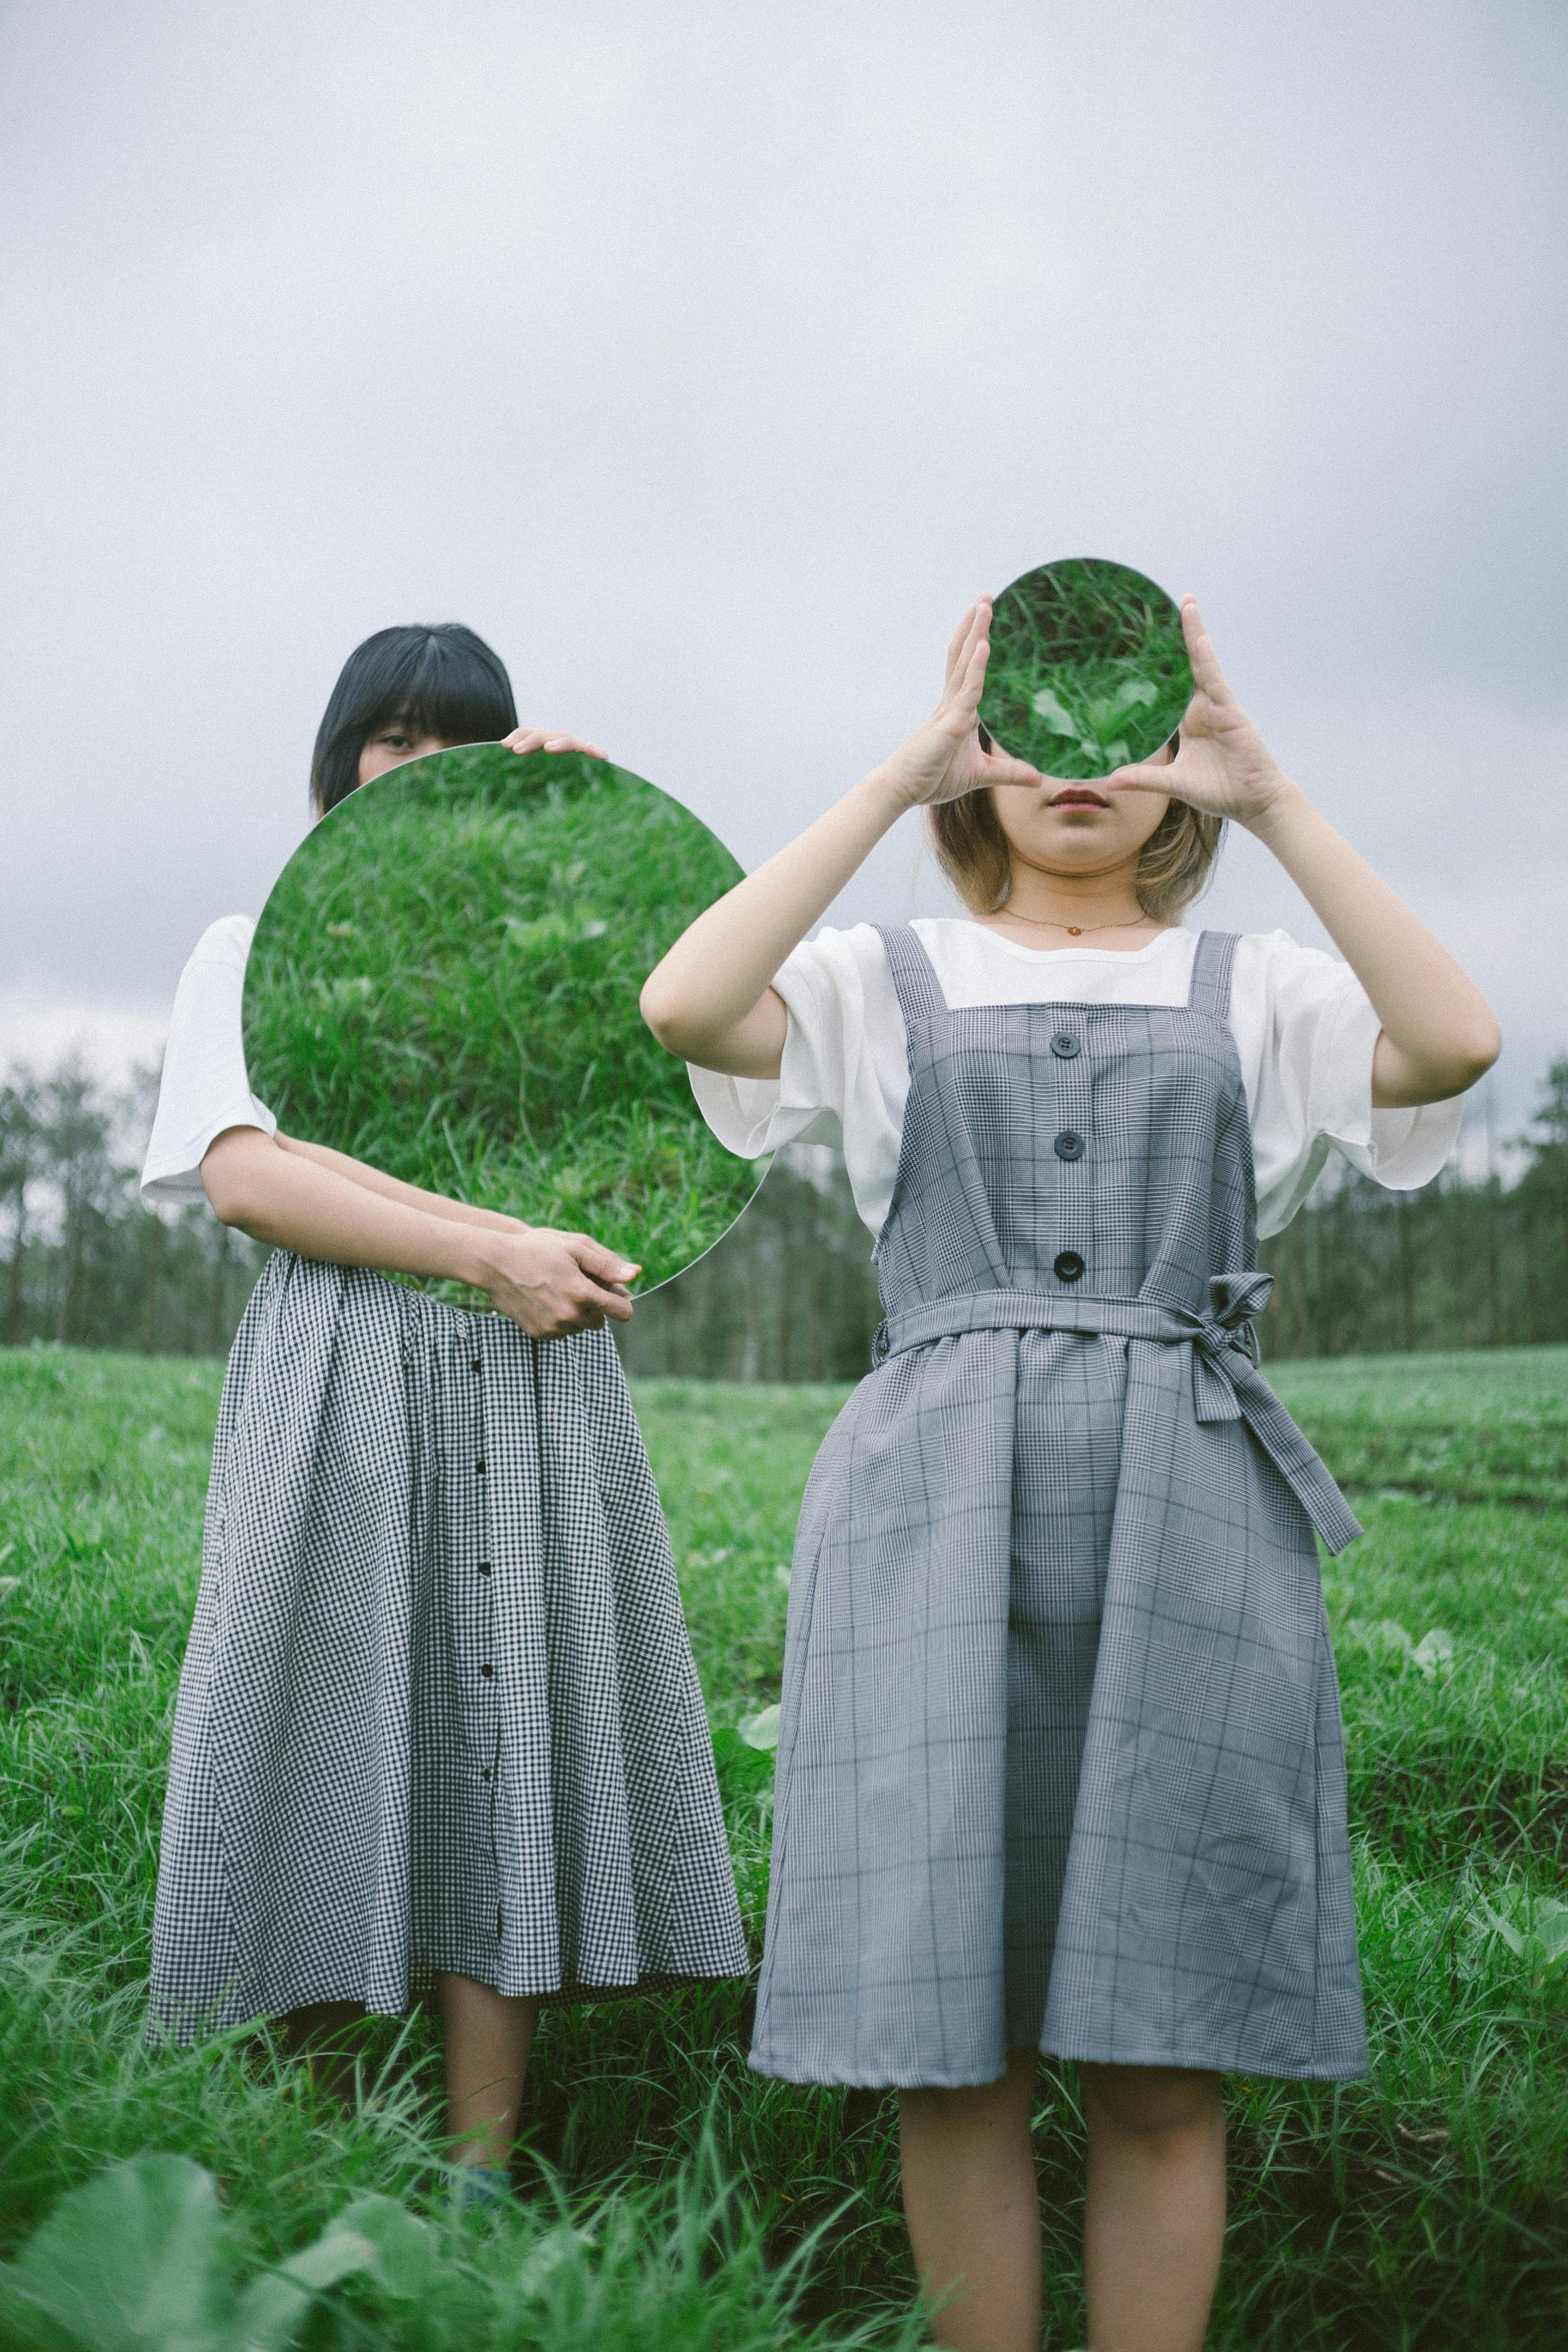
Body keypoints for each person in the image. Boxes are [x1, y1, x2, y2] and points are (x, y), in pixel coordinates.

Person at [639, 594, 1499, 2352]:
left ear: (1180, 763)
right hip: (923, 1518)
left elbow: (1457, 1043)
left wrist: (1276, 797)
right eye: (1028, 722)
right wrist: (895, 776)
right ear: (974, 750)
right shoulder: (887, 980)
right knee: (958, 2048)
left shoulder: (1255, 986)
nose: (1076, 764)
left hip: (1193, 1521)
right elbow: (683, 1000)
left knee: (1165, 2057)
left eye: (1124, 724)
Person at [141, 622, 747, 2198]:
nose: (419, 771)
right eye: (393, 740)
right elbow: (245, 1174)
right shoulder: (250, 944)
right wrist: (490, 1251)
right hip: (341, 1365)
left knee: (507, 1728)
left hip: (531, 1379)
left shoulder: (566, 970)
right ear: (341, 760)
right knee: (310, 1711)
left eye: (460, 745)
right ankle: (311, 2149)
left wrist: (621, 857)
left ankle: (480, 2182)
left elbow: (711, 1060)